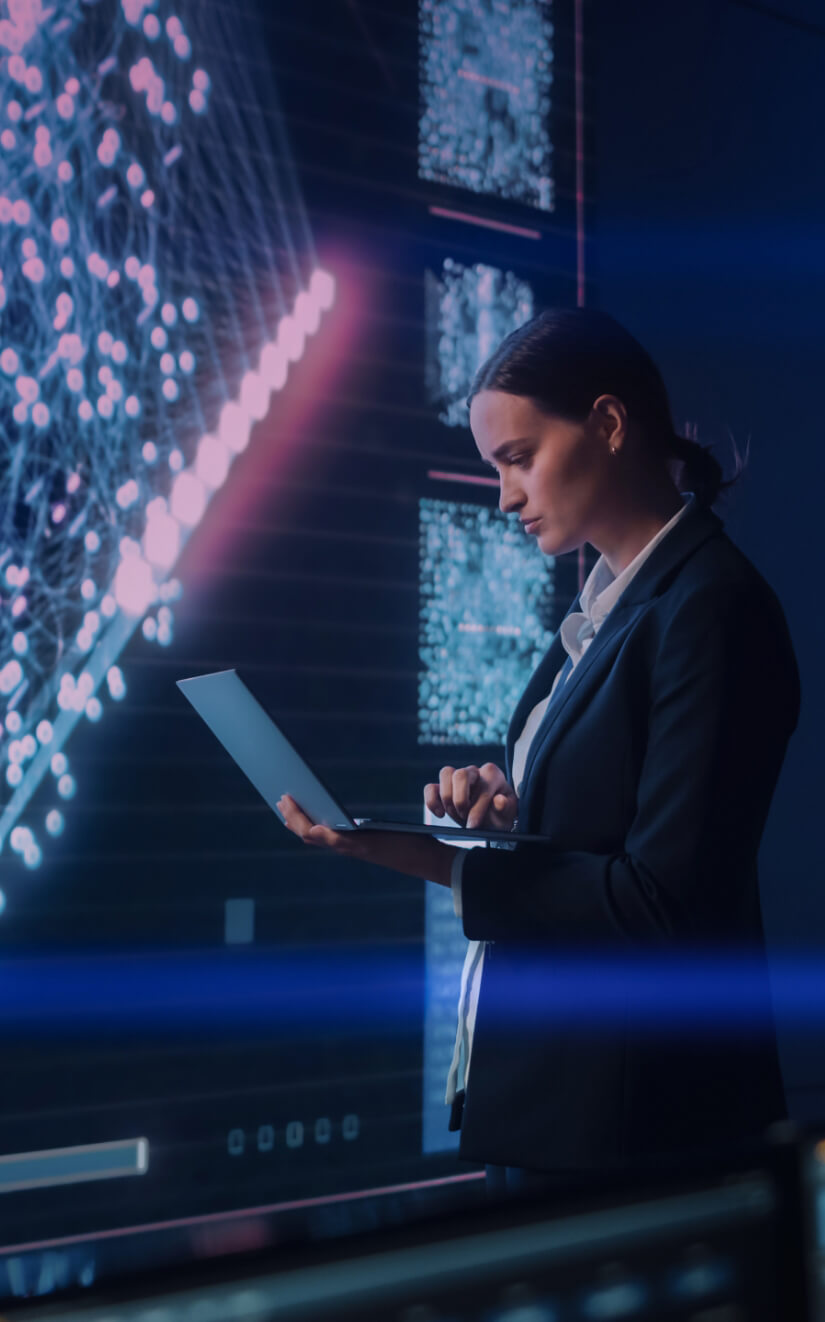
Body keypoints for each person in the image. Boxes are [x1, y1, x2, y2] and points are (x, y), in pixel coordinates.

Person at [278, 307, 800, 1182]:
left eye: (518, 459)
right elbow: (587, 851)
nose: (503, 497)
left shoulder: (711, 609)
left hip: (638, 1140)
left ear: (606, 423)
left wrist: (470, 864)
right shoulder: (605, 614)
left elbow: (657, 907)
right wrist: (495, 818)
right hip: (561, 1117)